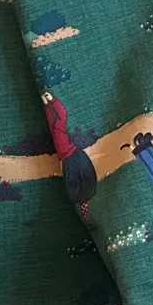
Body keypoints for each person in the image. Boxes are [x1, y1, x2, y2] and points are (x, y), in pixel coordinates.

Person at [41, 91, 97, 221]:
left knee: (85, 178)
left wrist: (53, 100)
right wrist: (47, 105)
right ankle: (85, 214)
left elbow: (62, 113)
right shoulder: (54, 128)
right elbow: (51, 117)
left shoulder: (59, 126)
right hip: (67, 159)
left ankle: (86, 212)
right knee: (74, 185)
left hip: (73, 154)